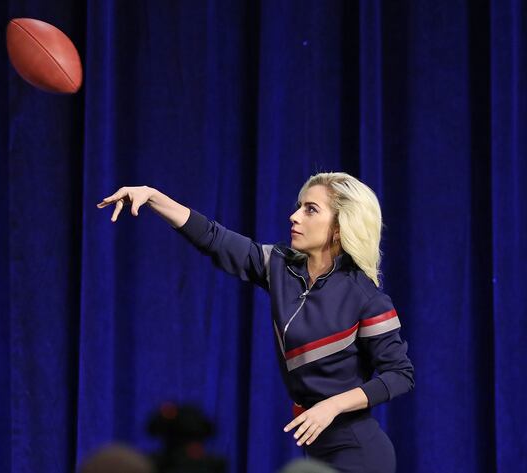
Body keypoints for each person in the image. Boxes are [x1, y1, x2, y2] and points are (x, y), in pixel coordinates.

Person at [97, 172, 414, 473]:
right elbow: (213, 237)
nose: (295, 216)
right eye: (298, 206)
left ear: (338, 228)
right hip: (317, 451)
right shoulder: (280, 267)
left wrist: (331, 406)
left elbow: (400, 375)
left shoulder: (366, 298)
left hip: (359, 455)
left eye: (310, 209)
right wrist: (153, 197)